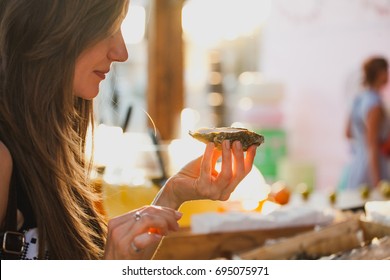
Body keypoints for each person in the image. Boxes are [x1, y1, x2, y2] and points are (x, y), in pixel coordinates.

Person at [0, 0, 257, 260]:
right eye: (107, 28)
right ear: (53, 26)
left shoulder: (51, 147)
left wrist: (172, 194)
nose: (121, 52)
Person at [344, 56, 389, 190]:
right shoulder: (374, 103)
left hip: (357, 162)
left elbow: (348, 133)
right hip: (372, 166)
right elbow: (372, 142)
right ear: (381, 73)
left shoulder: (357, 99)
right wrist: (377, 181)